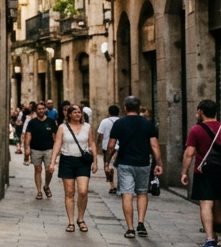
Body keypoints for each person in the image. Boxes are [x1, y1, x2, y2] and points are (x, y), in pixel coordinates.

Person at [104, 96, 162, 239]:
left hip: (125, 162)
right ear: (138, 107)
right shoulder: (148, 124)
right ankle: (141, 223)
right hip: (143, 162)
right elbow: (154, 145)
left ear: (125, 108)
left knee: (127, 194)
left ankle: (130, 228)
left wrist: (107, 162)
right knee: (142, 193)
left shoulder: (119, 124)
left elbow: (111, 145)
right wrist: (159, 163)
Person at [49, 105, 97, 233]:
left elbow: (91, 143)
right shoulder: (62, 128)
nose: (77, 114)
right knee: (69, 193)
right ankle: (71, 222)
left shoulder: (87, 127)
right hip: (67, 161)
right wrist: (53, 162)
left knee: (83, 191)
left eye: (79, 112)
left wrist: (95, 161)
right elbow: (57, 144)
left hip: (83, 161)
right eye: (75, 112)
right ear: (69, 114)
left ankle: (80, 219)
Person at [180, 99, 221, 247]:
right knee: (219, 204)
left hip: (204, 171)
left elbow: (189, 153)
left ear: (201, 111)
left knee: (206, 203)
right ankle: (219, 237)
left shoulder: (196, 130)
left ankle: (210, 239)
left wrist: (184, 172)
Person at [23, 103, 58, 200]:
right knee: (38, 169)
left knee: (49, 170)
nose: (41, 110)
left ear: (45, 110)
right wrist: (27, 149)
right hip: (35, 149)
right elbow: (28, 136)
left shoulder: (51, 122)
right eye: (39, 109)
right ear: (36, 111)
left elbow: (55, 137)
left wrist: (57, 150)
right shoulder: (32, 122)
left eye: (43, 109)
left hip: (49, 149)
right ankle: (39, 191)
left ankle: (46, 186)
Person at [97, 104, 121, 195]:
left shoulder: (104, 121)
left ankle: (112, 185)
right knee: (120, 166)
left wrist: (97, 145)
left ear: (109, 112)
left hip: (107, 147)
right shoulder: (121, 121)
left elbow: (100, 134)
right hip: (120, 147)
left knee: (108, 166)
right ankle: (120, 184)